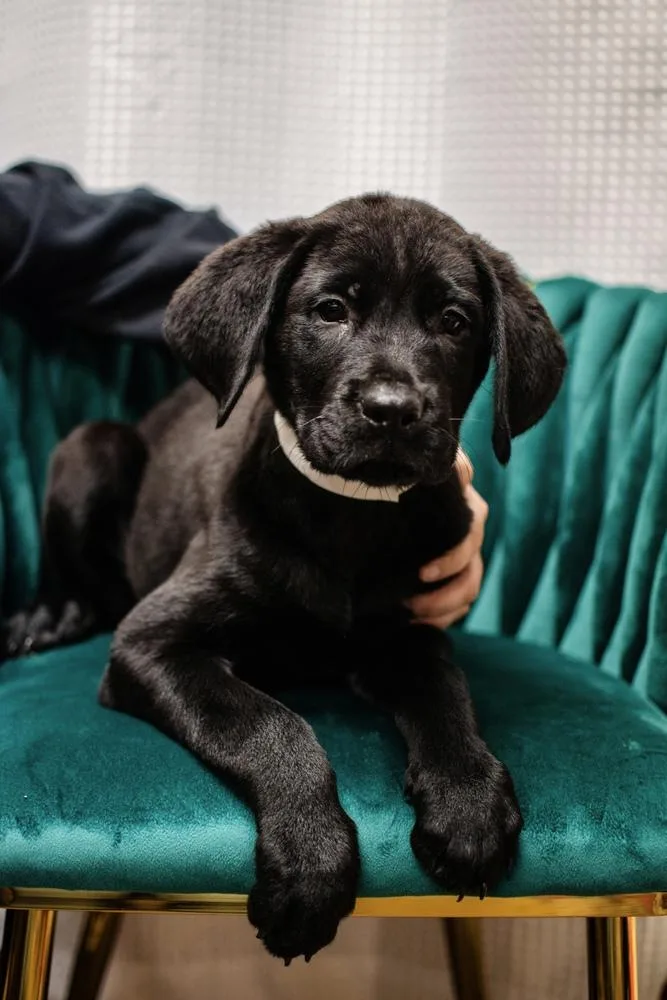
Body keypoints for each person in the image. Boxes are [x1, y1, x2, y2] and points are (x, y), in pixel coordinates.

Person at [1, 160, 487, 623]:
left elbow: (200, 264)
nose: (392, 397)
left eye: (452, 321)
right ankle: (70, 603)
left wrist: (446, 468)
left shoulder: (26, 215)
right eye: (333, 310)